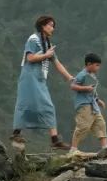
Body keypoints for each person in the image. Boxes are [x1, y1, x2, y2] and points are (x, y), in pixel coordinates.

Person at [12, 14, 74, 151]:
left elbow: (57, 63)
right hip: (29, 77)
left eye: (53, 26)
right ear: (42, 26)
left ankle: (54, 139)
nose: (52, 28)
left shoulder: (48, 44)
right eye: (50, 25)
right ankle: (17, 134)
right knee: (25, 104)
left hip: (40, 78)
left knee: (47, 107)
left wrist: (70, 77)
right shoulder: (33, 40)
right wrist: (46, 55)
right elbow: (30, 58)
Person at [69, 53, 107, 153]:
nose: (98, 68)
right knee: (83, 126)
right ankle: (73, 149)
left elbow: (93, 91)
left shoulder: (92, 76)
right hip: (84, 105)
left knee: (101, 124)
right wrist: (85, 88)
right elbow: (73, 86)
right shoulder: (82, 75)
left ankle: (105, 148)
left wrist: (98, 100)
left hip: (93, 105)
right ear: (89, 64)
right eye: (97, 65)